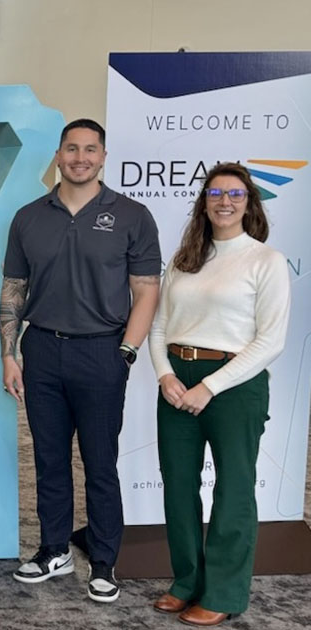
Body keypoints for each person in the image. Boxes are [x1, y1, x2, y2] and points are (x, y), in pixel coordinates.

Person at [0, 119, 161, 602]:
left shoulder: (132, 216)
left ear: (104, 157)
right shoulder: (29, 217)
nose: (80, 158)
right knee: (49, 458)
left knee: (99, 462)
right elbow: (14, 289)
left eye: (91, 149)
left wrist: (127, 352)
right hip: (42, 349)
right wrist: (9, 352)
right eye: (72, 148)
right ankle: (54, 549)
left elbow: (146, 290)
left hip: (102, 351)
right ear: (58, 155)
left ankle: (105, 560)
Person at [148, 163, 290, 627]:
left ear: (249, 204)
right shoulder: (184, 259)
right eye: (215, 193)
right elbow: (159, 327)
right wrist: (165, 375)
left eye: (235, 194)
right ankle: (187, 582)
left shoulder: (265, 260)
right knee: (178, 486)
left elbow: (270, 341)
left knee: (233, 489)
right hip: (177, 379)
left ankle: (224, 592)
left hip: (235, 385)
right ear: (203, 202)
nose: (224, 202)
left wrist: (210, 386)